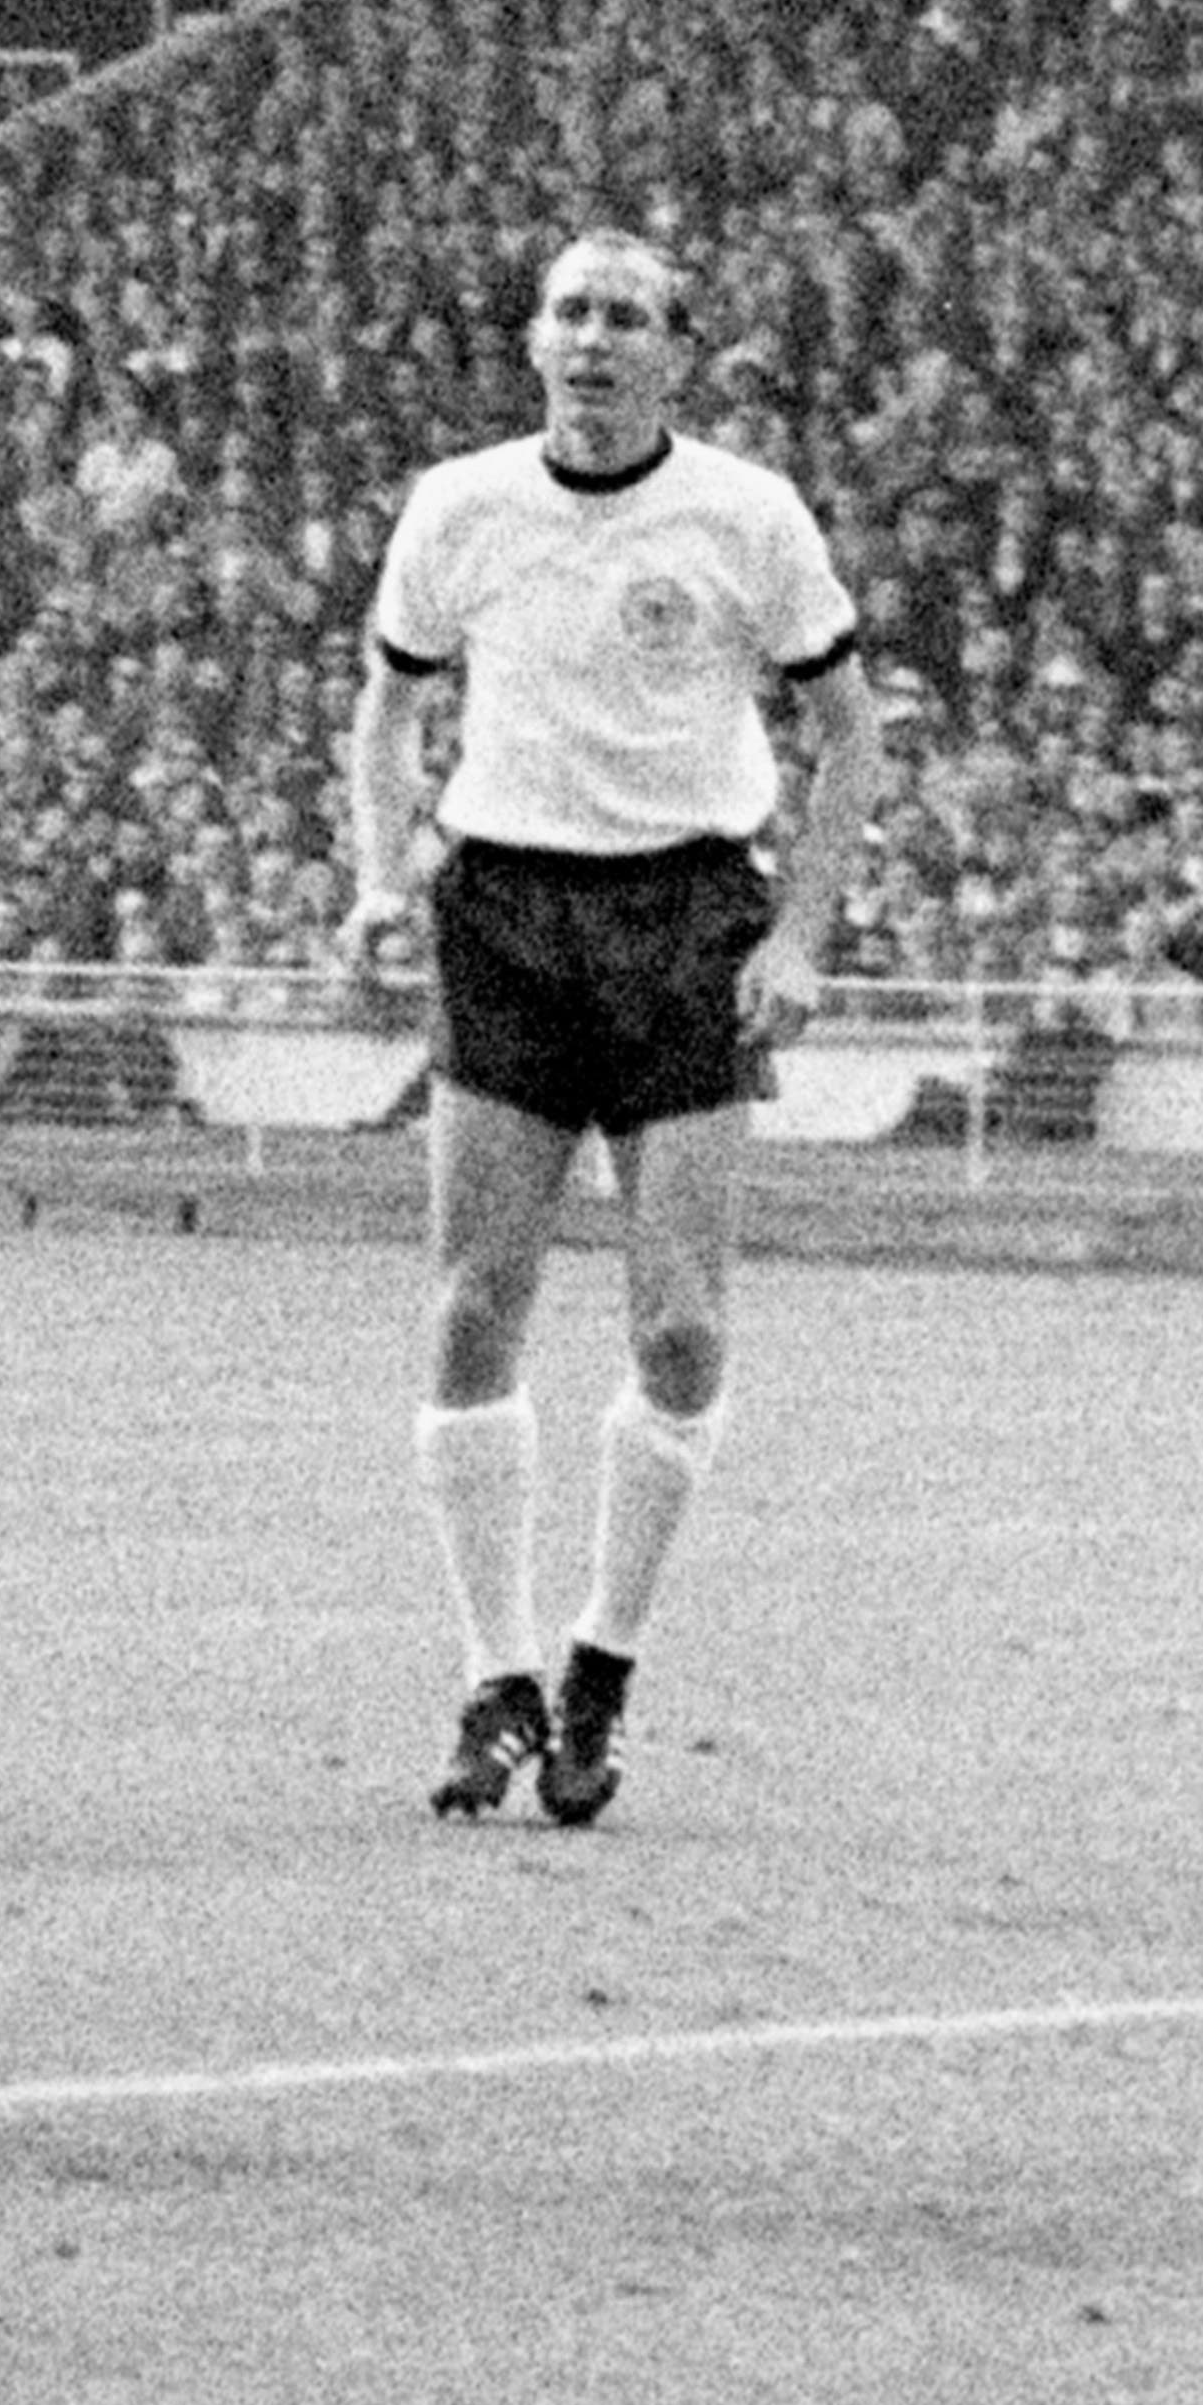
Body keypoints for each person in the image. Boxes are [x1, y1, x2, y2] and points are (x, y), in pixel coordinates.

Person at [337, 229, 881, 1831]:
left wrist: (795, 932)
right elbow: (387, 702)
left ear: (674, 352)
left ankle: (601, 1669)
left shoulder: (743, 513)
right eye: (567, 310)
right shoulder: (459, 504)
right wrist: (381, 876)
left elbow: (844, 730)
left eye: (623, 316)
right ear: (530, 339)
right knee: (469, 1306)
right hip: (504, 908)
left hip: (685, 917)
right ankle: (494, 1677)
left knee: (679, 1331)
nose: (589, 338)